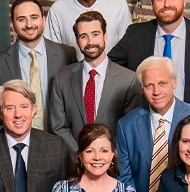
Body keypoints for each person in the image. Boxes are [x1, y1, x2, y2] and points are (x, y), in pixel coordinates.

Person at [115, 56, 190, 192]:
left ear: (174, 83)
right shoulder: (126, 125)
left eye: (162, 83)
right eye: (149, 85)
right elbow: (123, 180)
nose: (156, 91)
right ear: (141, 88)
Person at [48, 11, 144, 153]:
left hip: (113, 163)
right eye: (83, 36)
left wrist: (106, 155)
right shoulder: (61, 78)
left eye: (95, 34)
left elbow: (130, 128)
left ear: (105, 36)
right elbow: (58, 127)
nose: (90, 42)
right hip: (74, 162)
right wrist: (80, 155)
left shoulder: (128, 80)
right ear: (76, 41)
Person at [0, 0, 77, 130]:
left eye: (34, 17)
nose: (29, 25)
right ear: (12, 24)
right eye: (21, 19)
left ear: (43, 21)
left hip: (60, 140)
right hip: (17, 143)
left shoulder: (66, 54)